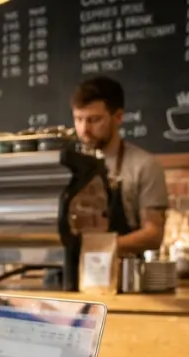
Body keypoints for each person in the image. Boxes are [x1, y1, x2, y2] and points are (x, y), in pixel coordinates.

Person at [70, 76, 170, 254]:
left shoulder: (144, 165)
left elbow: (153, 234)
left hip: (122, 273)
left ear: (118, 117)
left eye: (94, 120)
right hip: (64, 274)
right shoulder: (67, 166)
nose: (84, 130)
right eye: (78, 119)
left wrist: (98, 248)